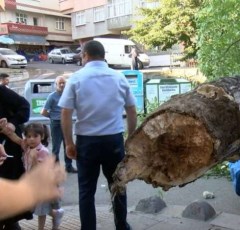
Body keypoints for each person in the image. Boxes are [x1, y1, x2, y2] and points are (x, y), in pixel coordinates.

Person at [59, 40, 137, 230]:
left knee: (86, 190)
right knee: (118, 186)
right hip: (114, 140)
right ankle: (121, 226)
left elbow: (66, 113)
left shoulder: (76, 79)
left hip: (87, 142)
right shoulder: (118, 77)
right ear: (103, 55)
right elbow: (132, 109)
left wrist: (69, 143)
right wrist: (131, 138)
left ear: (85, 55)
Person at [0, 122, 65, 230]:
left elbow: (41, 170)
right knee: (36, 207)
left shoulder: (42, 151)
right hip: (33, 185)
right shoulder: (27, 147)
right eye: (28, 136)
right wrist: (8, 132)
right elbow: (17, 139)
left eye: (35, 136)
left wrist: (35, 160)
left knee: (41, 210)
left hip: (42, 185)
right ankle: (55, 214)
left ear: (42, 136)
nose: (31, 139)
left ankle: (41, 227)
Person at [0, 85, 32, 230]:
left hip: (9, 150)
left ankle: (11, 220)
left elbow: (24, 106)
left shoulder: (2, 91)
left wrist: (13, 123)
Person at [41, 76, 77, 173]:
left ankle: (68, 166)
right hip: (56, 124)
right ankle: (56, 168)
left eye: (63, 83)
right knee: (56, 147)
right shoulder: (52, 96)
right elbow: (43, 112)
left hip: (67, 123)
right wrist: (52, 117)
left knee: (68, 144)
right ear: (55, 85)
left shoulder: (68, 95)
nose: (62, 85)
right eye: (59, 83)